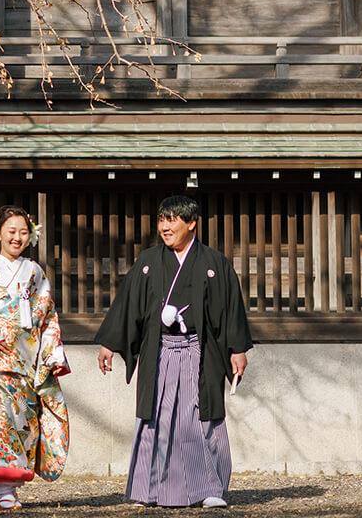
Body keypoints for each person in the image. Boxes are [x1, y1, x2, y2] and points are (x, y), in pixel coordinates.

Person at [95, 195, 252, 508]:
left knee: (201, 416)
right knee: (156, 416)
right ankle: (149, 490)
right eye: (162, 220)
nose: (165, 227)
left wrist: (237, 349)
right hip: (161, 351)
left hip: (199, 350)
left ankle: (209, 489)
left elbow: (230, 309)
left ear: (191, 223)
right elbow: (129, 305)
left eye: (172, 220)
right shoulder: (149, 262)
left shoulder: (214, 263)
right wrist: (110, 343)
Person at [0, 205, 70, 510]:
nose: (17, 238)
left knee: (20, 425)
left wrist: (52, 354)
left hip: (24, 362)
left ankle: (10, 488)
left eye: (23, 232)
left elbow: (48, 314)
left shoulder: (35, 272)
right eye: (11, 231)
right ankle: (4, 491)